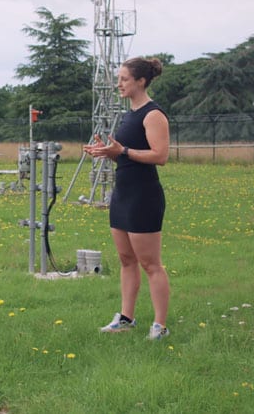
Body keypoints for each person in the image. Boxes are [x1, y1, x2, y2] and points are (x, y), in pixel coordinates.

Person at [83, 57, 171, 340]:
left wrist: (122, 152)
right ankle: (126, 318)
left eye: (124, 79)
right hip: (122, 194)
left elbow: (161, 156)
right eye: (118, 78)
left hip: (144, 196)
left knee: (150, 264)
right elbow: (123, 150)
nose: (118, 83)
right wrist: (104, 151)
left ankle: (160, 326)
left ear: (141, 82)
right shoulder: (129, 113)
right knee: (126, 260)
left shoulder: (153, 114)